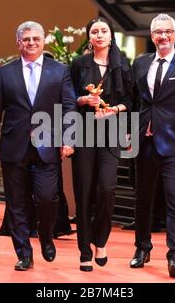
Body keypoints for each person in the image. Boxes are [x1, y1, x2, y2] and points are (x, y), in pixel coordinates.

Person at [0, 21, 76, 271]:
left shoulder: (60, 71)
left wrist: (69, 137)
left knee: (47, 197)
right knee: (16, 203)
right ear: (18, 43)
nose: (31, 43)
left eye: (36, 38)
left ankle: (45, 235)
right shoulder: (4, 73)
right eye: (26, 39)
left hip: (48, 145)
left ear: (43, 41)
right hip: (14, 147)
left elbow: (69, 106)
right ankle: (24, 253)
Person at [129, 13, 175, 278]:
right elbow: (135, 104)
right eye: (158, 32)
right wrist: (129, 132)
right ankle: (142, 248)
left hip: (174, 147)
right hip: (144, 144)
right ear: (151, 36)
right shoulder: (139, 64)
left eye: (167, 32)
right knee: (142, 200)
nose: (163, 36)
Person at [70, 17, 133, 272]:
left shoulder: (123, 65)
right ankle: (85, 250)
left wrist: (114, 110)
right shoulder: (78, 64)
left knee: (106, 189)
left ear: (110, 35)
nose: (99, 34)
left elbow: (131, 100)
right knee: (84, 192)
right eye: (94, 31)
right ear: (89, 37)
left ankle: (101, 239)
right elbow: (67, 97)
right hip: (84, 133)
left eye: (103, 30)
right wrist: (83, 100)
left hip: (112, 132)